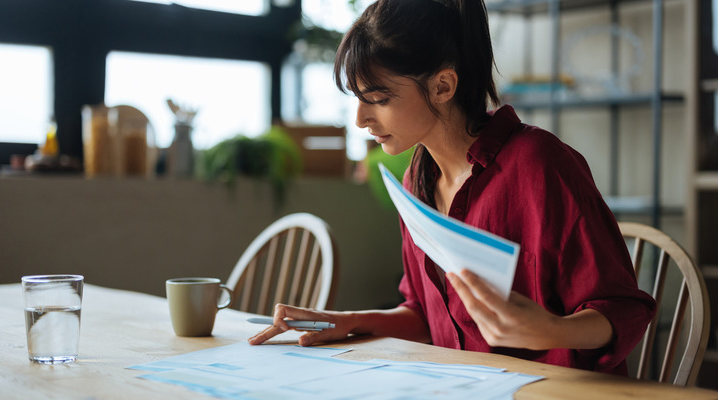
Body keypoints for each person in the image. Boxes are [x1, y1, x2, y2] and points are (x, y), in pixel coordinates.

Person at [249, 0, 656, 376]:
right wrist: (348, 321)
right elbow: (426, 316)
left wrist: (550, 330)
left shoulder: (539, 165)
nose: (360, 118)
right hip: (463, 393)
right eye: (358, 98)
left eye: (377, 98)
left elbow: (623, 310)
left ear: (443, 87)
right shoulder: (418, 179)